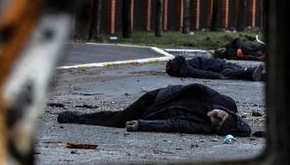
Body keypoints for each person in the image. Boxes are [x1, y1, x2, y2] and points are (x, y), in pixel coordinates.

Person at [57, 83, 252, 136]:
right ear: (224, 113)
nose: (213, 122)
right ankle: (76, 116)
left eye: (216, 127)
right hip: (159, 97)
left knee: (119, 121)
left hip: (155, 112)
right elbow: (199, 87)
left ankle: (75, 117)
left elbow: (174, 125)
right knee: (116, 119)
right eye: (218, 119)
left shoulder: (204, 127)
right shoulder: (224, 101)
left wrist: (142, 124)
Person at [166, 54, 265, 81]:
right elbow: (200, 72)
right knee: (241, 74)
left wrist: (217, 75)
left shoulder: (184, 68)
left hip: (220, 67)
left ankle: (252, 71)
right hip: (222, 64)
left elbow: (201, 73)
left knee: (230, 74)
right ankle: (263, 76)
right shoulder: (186, 64)